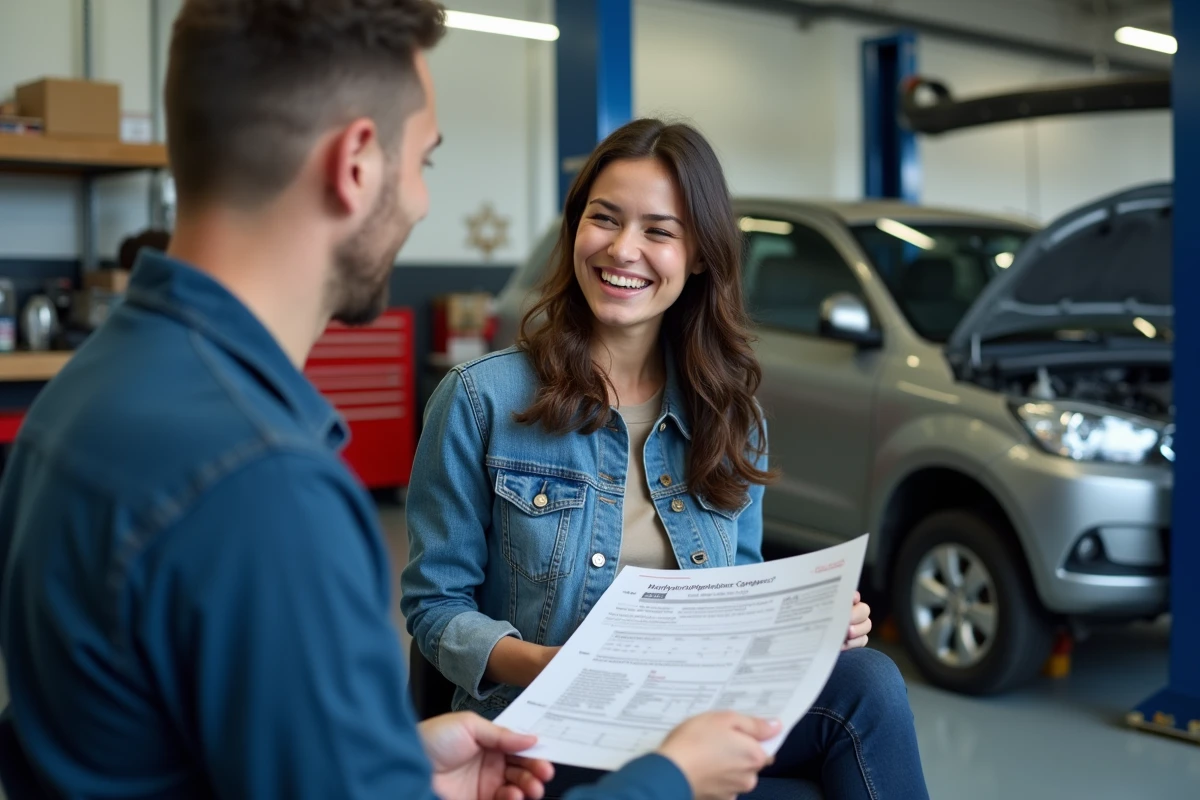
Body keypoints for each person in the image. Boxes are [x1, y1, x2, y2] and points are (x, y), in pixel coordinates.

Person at [0, 3, 783, 800]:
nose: (419, 203)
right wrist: (671, 779)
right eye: (425, 163)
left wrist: (403, 771)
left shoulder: (85, 393)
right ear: (357, 163)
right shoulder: (262, 483)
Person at [401, 118, 931, 799]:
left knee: (868, 683)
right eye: (605, 219)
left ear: (700, 255)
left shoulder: (733, 416)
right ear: (576, 229)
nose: (624, 250)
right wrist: (549, 666)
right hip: (545, 732)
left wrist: (810, 626)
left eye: (659, 230)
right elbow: (436, 607)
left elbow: (738, 590)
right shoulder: (480, 401)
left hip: (690, 712)